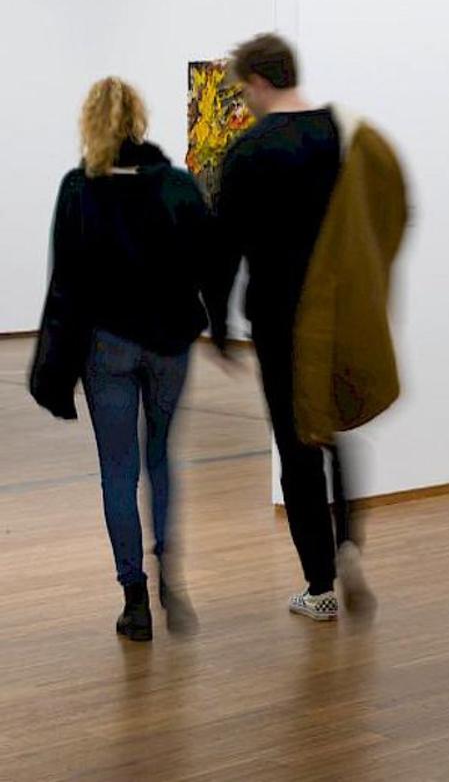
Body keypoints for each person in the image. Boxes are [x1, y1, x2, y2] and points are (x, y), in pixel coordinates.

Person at [30, 78, 219, 641]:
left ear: (90, 123)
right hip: (170, 346)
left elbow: (65, 285)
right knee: (160, 459)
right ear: (139, 120)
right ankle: (170, 578)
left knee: (118, 469)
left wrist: (52, 369)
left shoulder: (78, 190)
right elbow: (208, 260)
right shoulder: (178, 186)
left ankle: (135, 600)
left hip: (107, 347)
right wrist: (215, 322)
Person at [214, 33, 376, 621]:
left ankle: (320, 586)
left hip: (279, 315)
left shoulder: (249, 151)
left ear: (259, 81)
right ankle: (349, 540)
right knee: (334, 430)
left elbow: (224, 246)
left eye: (244, 90)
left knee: (296, 442)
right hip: (337, 308)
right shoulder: (340, 135)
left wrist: (217, 321)